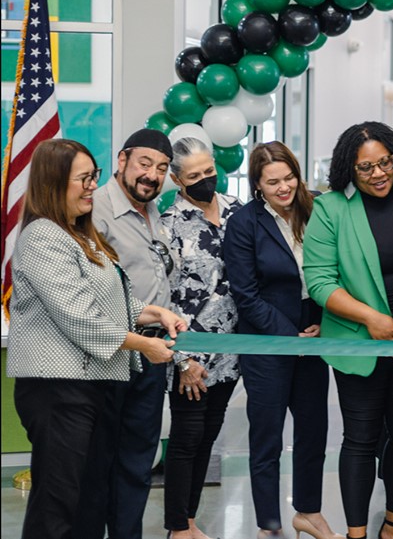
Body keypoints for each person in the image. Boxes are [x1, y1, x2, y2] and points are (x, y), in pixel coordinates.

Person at [7, 138, 184, 539]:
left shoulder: (81, 235)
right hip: (57, 391)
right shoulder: (42, 238)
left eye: (93, 177)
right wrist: (146, 343)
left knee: (89, 496)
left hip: (93, 385)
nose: (91, 187)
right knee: (58, 501)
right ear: (54, 183)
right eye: (83, 179)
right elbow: (82, 318)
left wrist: (155, 313)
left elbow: (110, 300)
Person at [303, 121, 393, 539]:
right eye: (365, 168)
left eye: (383, 162)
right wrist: (372, 319)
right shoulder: (330, 208)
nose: (378, 174)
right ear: (349, 169)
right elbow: (319, 281)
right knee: (361, 438)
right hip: (358, 342)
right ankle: (356, 531)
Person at [222, 141, 341, 539]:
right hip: (268, 340)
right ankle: (268, 524)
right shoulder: (244, 223)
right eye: (273, 182)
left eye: (289, 177)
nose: (284, 187)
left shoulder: (319, 208)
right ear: (258, 185)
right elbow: (246, 293)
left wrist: (326, 322)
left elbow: (338, 270)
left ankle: (308, 512)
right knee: (267, 437)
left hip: (315, 330)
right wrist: (290, 337)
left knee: (313, 431)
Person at [80, 128, 179, 539]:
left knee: (138, 461)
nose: (152, 175)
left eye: (161, 169)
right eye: (144, 163)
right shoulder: (94, 210)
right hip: (109, 351)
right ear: (121, 160)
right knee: (96, 463)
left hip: (153, 352)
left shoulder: (153, 211)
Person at [160, 136, 242, 539]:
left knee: (209, 435)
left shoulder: (238, 212)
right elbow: (162, 296)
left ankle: (189, 520)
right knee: (187, 438)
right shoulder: (169, 225)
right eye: (195, 176)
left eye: (209, 171)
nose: (207, 180)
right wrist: (181, 360)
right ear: (177, 180)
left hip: (232, 352)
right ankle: (179, 526)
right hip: (190, 354)